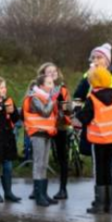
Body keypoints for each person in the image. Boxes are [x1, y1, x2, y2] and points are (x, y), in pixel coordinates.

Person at [73, 43, 112, 209]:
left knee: (111, 162)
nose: (96, 60)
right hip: (93, 125)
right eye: (93, 57)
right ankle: (103, 199)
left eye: (99, 57)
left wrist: (108, 95)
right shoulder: (88, 75)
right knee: (100, 164)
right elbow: (77, 96)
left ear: (107, 60)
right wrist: (78, 110)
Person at [74, 66, 112, 214]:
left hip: (98, 140)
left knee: (99, 171)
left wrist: (76, 112)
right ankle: (109, 204)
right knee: (108, 170)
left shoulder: (93, 99)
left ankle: (99, 204)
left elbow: (84, 118)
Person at [38, 63, 73, 200]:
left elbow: (69, 109)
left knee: (61, 158)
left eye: (54, 71)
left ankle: (63, 189)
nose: (52, 73)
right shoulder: (38, 88)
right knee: (41, 157)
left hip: (59, 126)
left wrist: (65, 107)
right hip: (43, 126)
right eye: (49, 71)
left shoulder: (62, 89)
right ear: (43, 74)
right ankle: (39, 189)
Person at [23, 74, 59, 207]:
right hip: (37, 133)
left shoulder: (46, 98)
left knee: (44, 164)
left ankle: (44, 193)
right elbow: (45, 112)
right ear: (41, 85)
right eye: (49, 83)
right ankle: (38, 195)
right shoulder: (35, 98)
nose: (52, 86)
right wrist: (52, 101)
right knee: (38, 164)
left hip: (46, 133)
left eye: (52, 83)